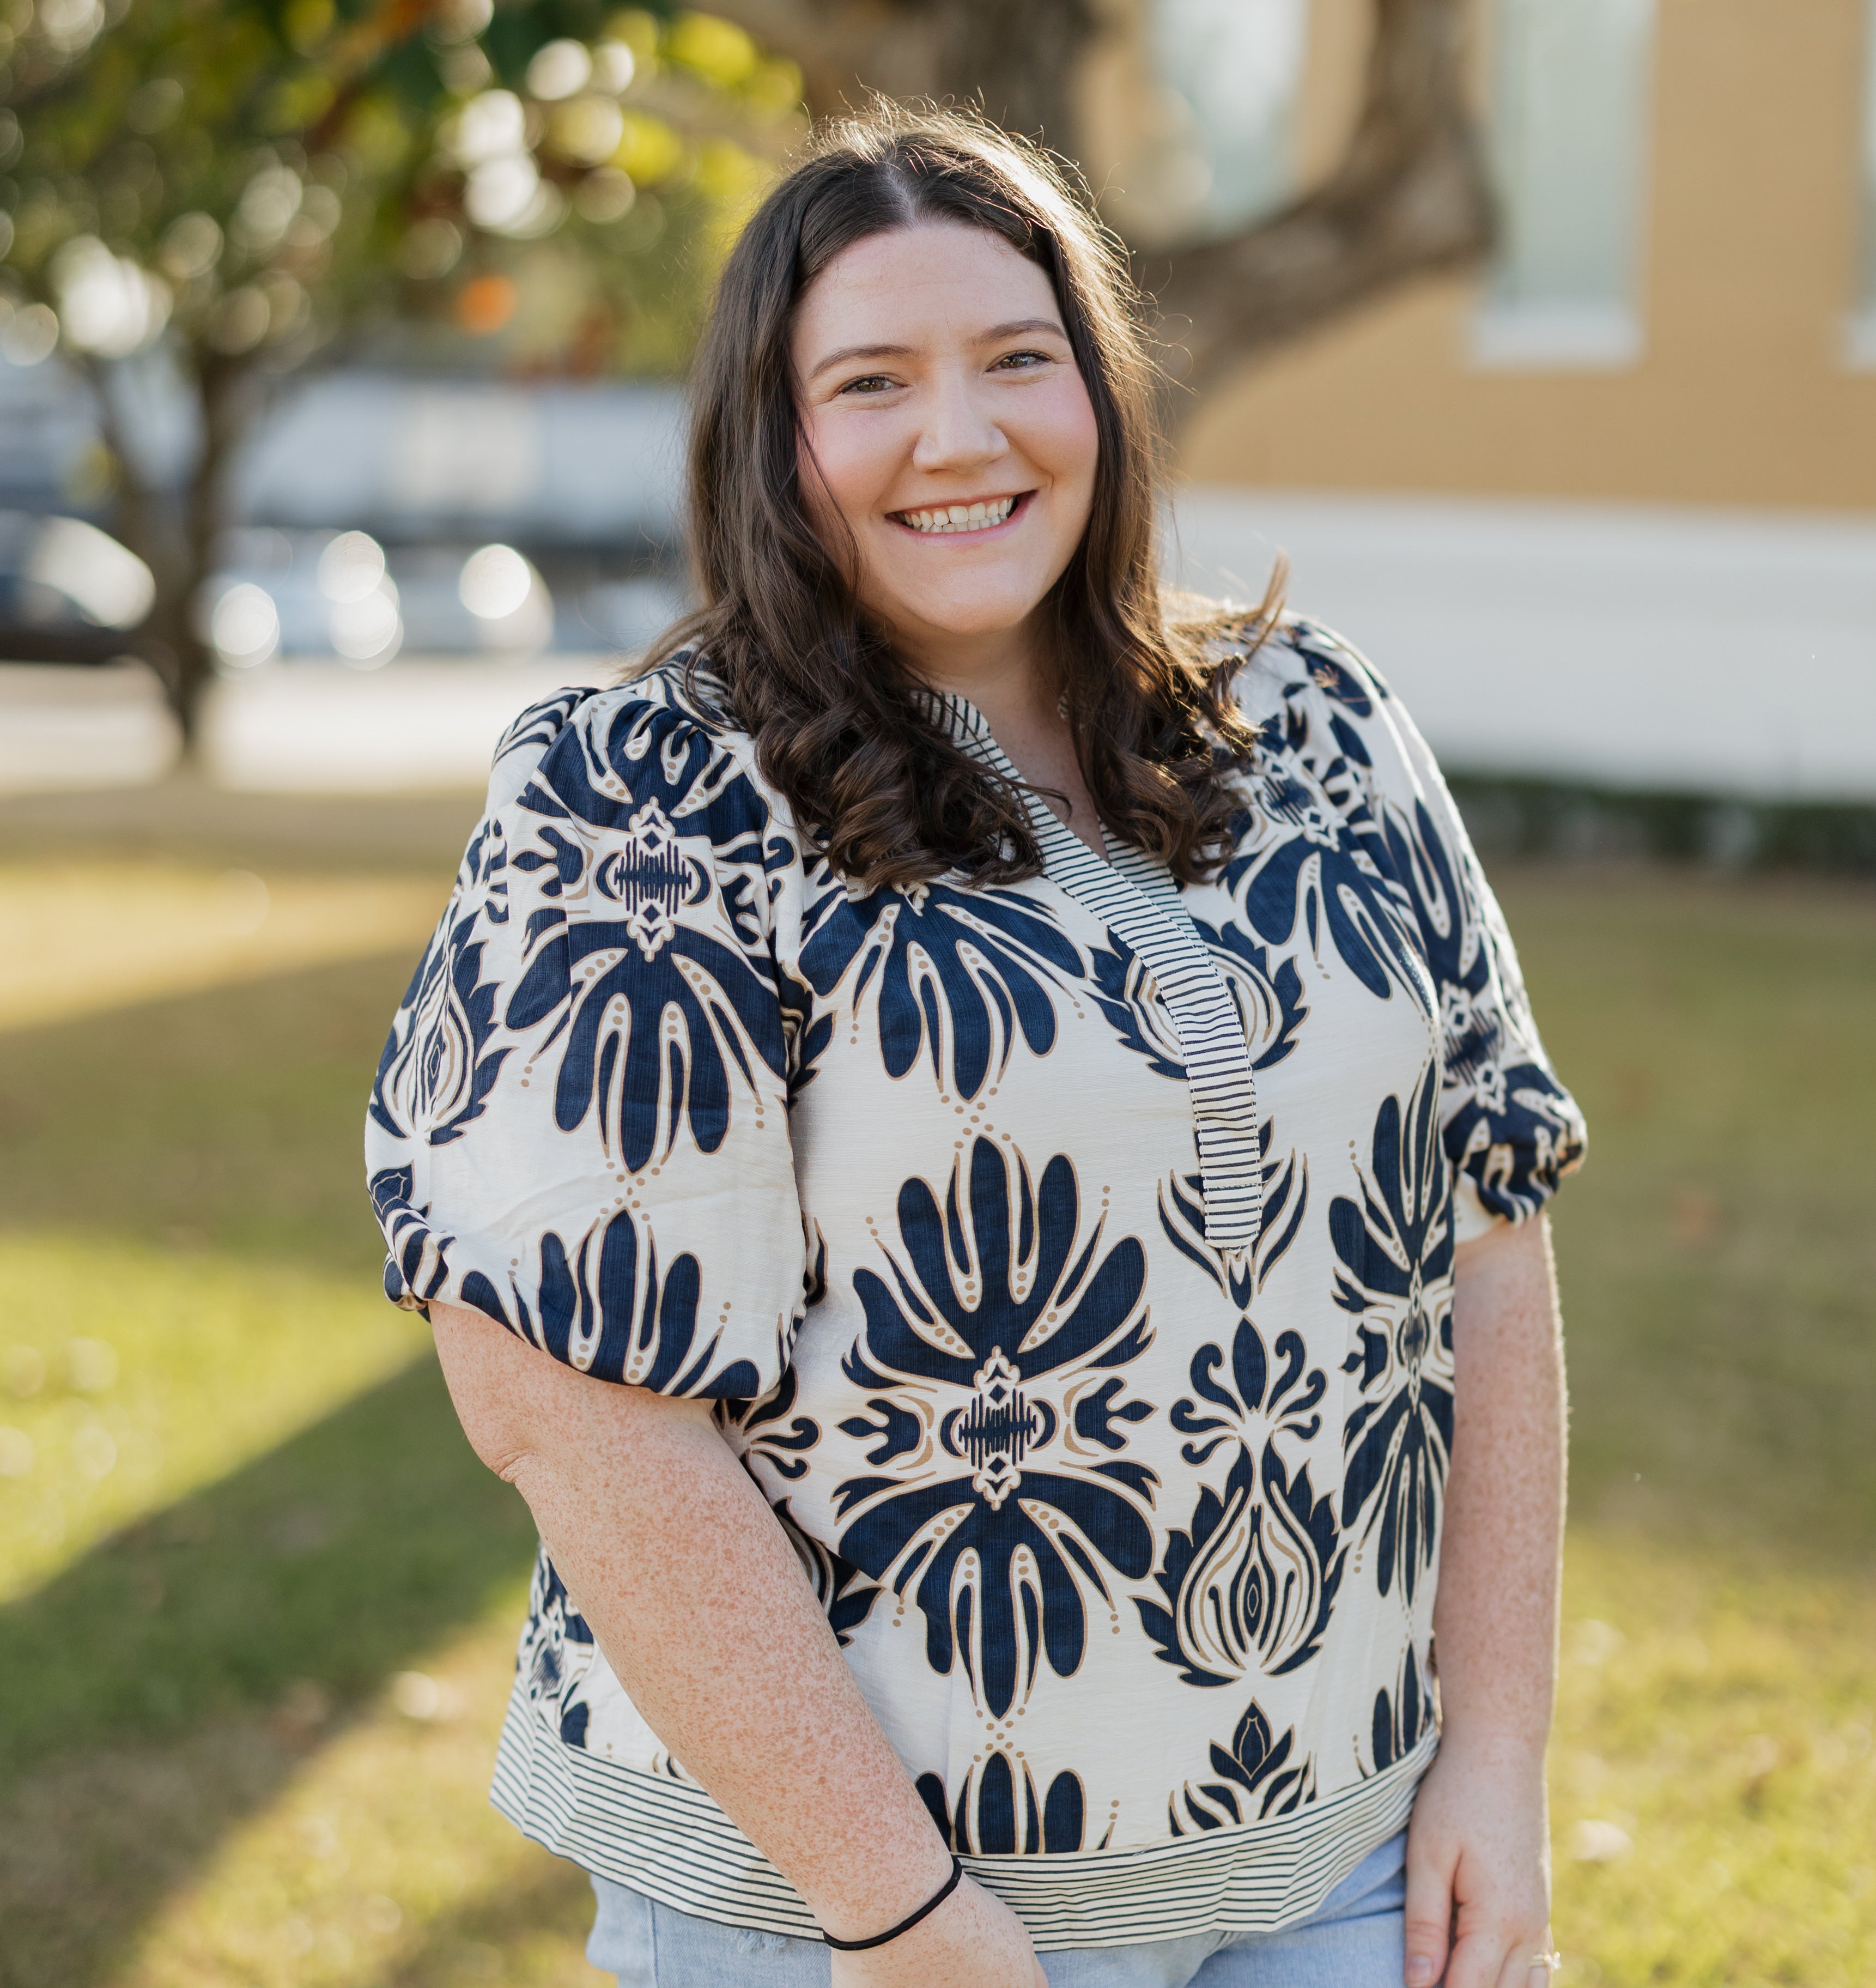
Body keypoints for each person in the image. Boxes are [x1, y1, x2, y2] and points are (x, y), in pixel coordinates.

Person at [366, 102, 1586, 1988]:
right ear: (774, 441)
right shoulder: (642, 798)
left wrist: (1493, 1759)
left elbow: (1488, 1246)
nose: (962, 434)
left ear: (1101, 390)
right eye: (871, 381)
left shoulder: (1321, 724)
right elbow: (563, 1395)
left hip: (1346, 1865)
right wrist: (903, 1914)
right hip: (850, 1916)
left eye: (1022, 359)